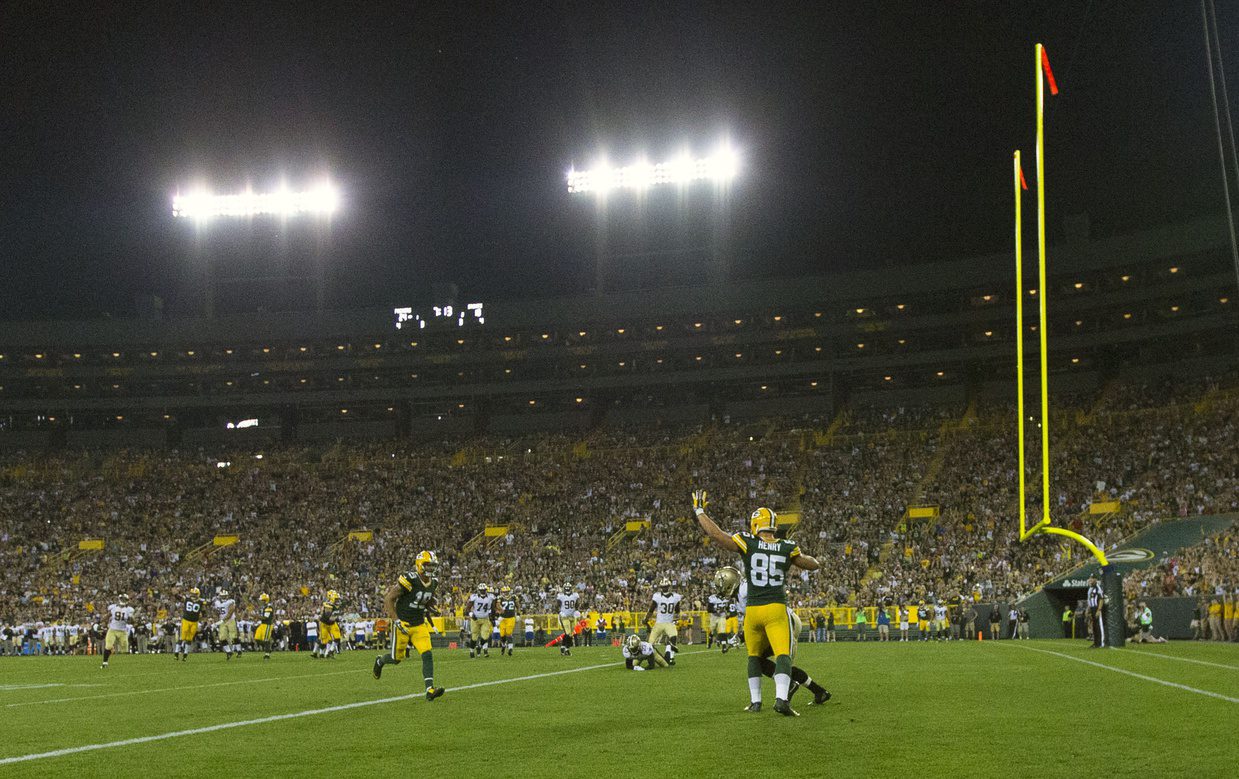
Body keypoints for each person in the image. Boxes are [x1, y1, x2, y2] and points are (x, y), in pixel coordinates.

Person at [692, 489, 821, 717]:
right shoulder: (786, 546)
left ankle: (755, 702)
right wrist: (812, 560)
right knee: (783, 655)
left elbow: (717, 535)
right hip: (775, 608)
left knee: (754, 656)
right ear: (773, 525)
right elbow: (811, 564)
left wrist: (699, 510)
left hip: (753, 611)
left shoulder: (747, 541)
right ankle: (781, 699)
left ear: (755, 525)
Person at [372, 550, 446, 702]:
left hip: (419, 624)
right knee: (396, 659)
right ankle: (380, 661)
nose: (431, 569)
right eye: (428, 565)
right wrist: (396, 620)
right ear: (419, 565)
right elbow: (389, 599)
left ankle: (429, 689)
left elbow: (427, 598)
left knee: (427, 654)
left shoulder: (434, 582)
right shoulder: (410, 579)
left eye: (433, 566)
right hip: (403, 624)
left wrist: (432, 606)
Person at [644, 578, 681, 665]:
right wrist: (676, 618)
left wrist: (646, 619)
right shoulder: (676, 597)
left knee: (651, 644)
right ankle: (670, 655)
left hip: (660, 623)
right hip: (667, 623)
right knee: (673, 638)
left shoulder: (657, 596)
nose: (664, 588)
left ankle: (667, 657)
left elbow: (651, 610)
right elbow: (677, 611)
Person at [101, 593, 134, 669]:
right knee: (108, 646)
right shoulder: (113, 607)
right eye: (122, 599)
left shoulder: (129, 610)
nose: (123, 600)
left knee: (124, 650)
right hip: (112, 630)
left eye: (124, 599)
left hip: (123, 631)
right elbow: (108, 615)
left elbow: (132, 621)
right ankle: (105, 663)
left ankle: (126, 665)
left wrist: (131, 618)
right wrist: (102, 620)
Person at [465, 583, 495, 658]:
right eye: (481, 590)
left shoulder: (491, 597)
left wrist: (492, 618)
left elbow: (493, 609)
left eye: (484, 590)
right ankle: (471, 651)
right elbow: (467, 609)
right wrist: (471, 614)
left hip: (485, 618)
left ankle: (479, 646)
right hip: (476, 619)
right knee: (474, 636)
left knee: (485, 637)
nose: (482, 592)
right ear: (479, 590)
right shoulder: (474, 597)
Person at [176, 587, 203, 661]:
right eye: (193, 594)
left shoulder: (201, 601)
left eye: (195, 594)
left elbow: (203, 611)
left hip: (194, 621)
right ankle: (176, 652)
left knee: (189, 638)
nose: (193, 595)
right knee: (183, 637)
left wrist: (201, 614)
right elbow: (178, 597)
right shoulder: (187, 599)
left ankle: (185, 654)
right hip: (186, 620)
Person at [214, 588, 240, 659]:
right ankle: (229, 652)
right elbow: (217, 612)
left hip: (230, 620)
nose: (223, 597)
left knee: (233, 636)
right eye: (222, 596)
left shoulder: (230, 601)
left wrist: (222, 620)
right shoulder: (217, 602)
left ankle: (239, 650)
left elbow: (230, 612)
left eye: (225, 596)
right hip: (222, 620)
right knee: (222, 637)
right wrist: (216, 619)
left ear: (227, 596)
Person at [555, 583, 579, 656]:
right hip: (564, 616)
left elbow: (577, 604)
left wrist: (576, 610)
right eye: (566, 588)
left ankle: (563, 647)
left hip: (571, 616)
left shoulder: (575, 595)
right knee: (568, 633)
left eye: (569, 588)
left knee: (570, 634)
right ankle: (567, 649)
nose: (568, 589)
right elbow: (557, 606)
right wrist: (560, 612)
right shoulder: (561, 596)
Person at [495, 585, 518, 656]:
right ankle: (503, 645)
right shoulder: (500, 597)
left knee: (509, 633)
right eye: (504, 592)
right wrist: (501, 610)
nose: (505, 593)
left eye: (506, 592)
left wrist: (519, 613)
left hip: (511, 618)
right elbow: (497, 605)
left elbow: (517, 605)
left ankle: (510, 648)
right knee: (502, 634)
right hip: (502, 618)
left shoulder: (514, 597)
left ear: (509, 591)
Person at [1086, 575, 1106, 648]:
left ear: (1095, 579)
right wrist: (1088, 609)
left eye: (1092, 578)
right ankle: (1096, 643)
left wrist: (1099, 610)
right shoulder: (1091, 588)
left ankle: (1101, 642)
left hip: (1097, 608)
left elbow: (1101, 599)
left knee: (1099, 626)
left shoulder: (1098, 588)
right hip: (1092, 608)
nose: (1090, 579)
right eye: (1090, 578)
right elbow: (1089, 600)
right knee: (1094, 626)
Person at [254, 593, 275, 660]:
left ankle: (267, 654)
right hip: (262, 625)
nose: (260, 602)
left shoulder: (268, 607)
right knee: (257, 638)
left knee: (266, 640)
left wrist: (255, 616)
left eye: (261, 600)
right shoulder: (264, 607)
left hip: (267, 625)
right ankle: (268, 648)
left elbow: (265, 618)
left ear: (264, 600)